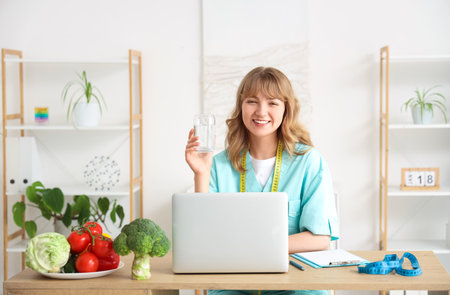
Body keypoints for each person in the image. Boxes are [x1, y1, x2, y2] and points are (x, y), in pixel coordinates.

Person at [185, 67, 339, 295]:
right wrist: (200, 173)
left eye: (273, 103)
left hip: (295, 285)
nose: (261, 111)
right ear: (241, 106)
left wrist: (256, 246)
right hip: (235, 285)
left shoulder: (308, 161)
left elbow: (320, 239)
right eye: (252, 101)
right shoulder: (217, 165)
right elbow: (205, 236)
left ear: (286, 108)